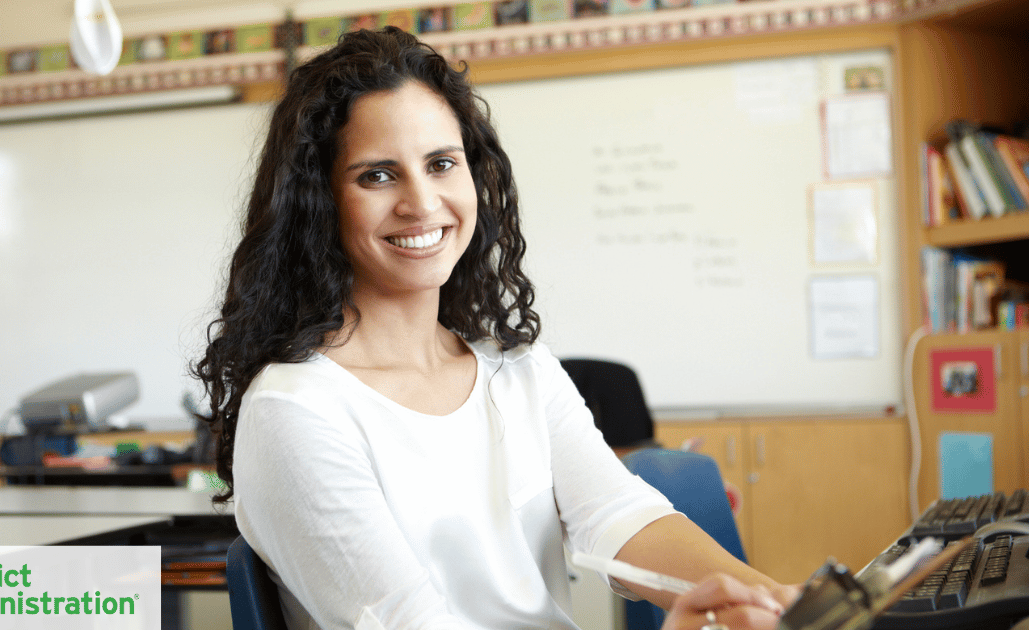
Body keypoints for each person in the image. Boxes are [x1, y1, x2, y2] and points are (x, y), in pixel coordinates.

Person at [195, 26, 798, 630]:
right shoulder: (296, 409)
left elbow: (621, 516)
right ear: (318, 202)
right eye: (377, 175)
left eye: (441, 164)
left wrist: (779, 604)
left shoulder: (519, 370)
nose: (423, 201)